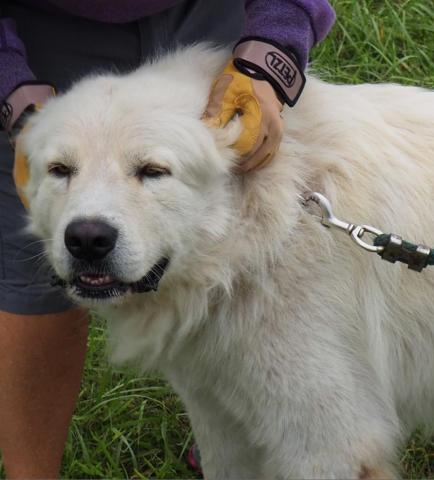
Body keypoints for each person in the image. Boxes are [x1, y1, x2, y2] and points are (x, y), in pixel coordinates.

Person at [0, 1, 335, 477]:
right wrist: (9, 90)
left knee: (244, 261)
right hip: (42, 23)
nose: (91, 223)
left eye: (150, 170)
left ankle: (245, 437)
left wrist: (270, 51)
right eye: (62, 169)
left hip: (204, 9)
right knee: (26, 284)